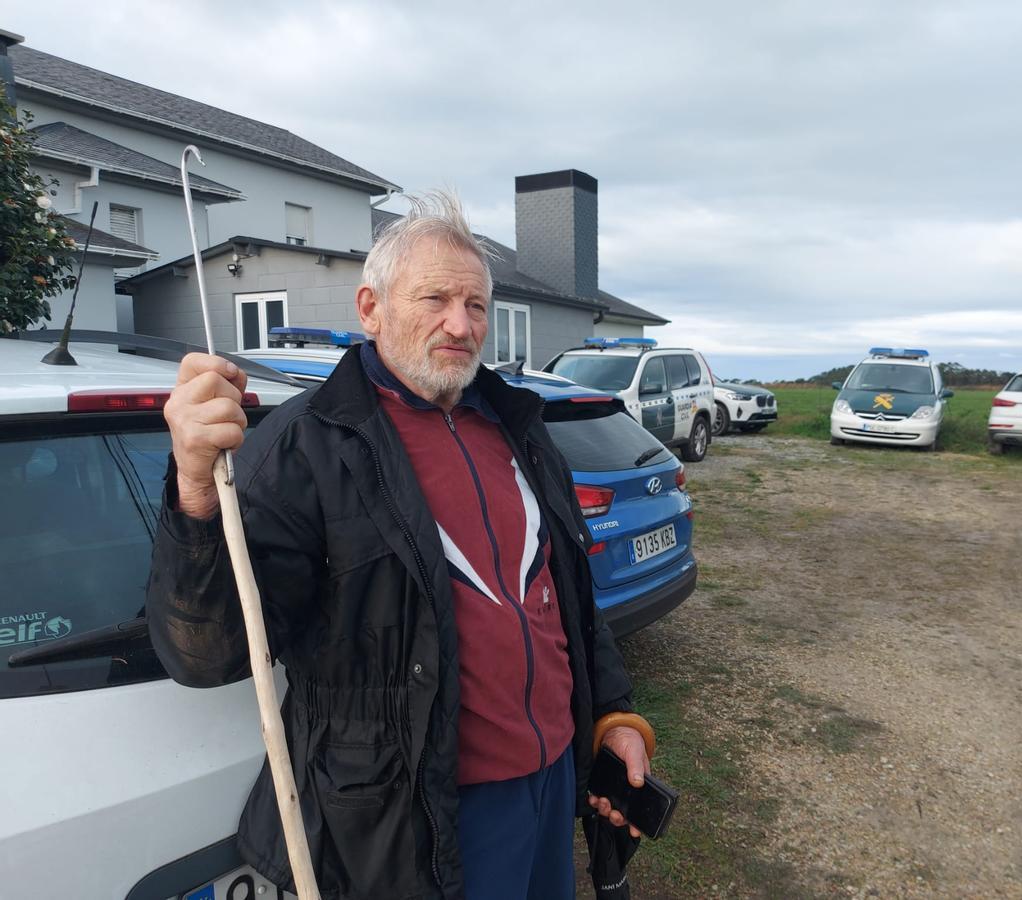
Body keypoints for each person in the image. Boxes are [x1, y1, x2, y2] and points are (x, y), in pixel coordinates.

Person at [147, 192, 651, 899]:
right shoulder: (305, 447)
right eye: (435, 298)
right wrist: (196, 491)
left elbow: (565, 596)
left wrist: (613, 715)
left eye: (476, 305)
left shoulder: (519, 429)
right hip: (415, 814)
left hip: (547, 784)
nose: (460, 324)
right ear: (369, 308)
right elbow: (211, 651)